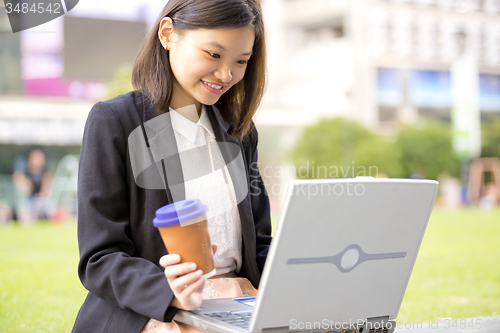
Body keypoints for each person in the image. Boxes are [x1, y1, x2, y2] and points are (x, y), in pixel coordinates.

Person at [71, 1, 272, 332]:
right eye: (213, 54)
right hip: (156, 309)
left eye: (241, 61)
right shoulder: (115, 122)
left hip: (237, 303)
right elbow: (99, 258)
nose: (226, 74)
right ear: (168, 34)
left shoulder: (239, 133)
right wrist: (170, 290)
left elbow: (259, 244)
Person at [12, 149, 52, 221]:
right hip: (28, 198)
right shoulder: (25, 169)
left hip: (40, 199)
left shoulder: (44, 170)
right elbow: (17, 178)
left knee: (42, 201)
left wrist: (43, 193)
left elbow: (47, 184)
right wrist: (27, 184)